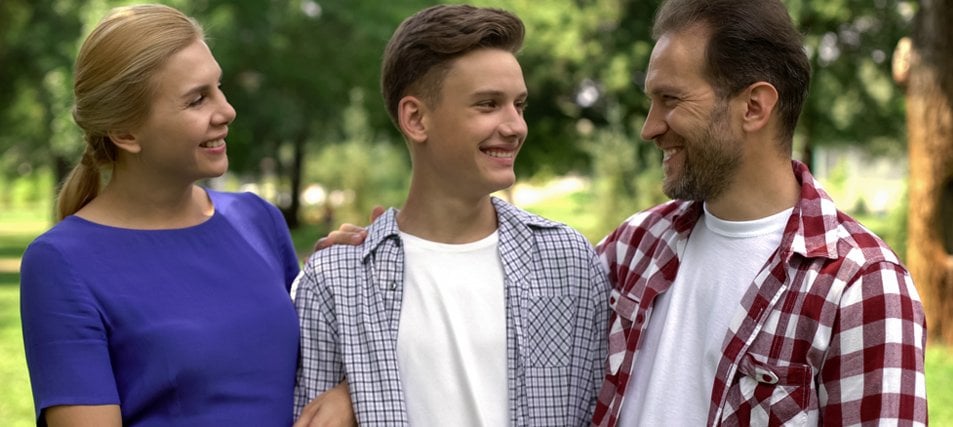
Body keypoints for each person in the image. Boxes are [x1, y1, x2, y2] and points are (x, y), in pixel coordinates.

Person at [319, 0, 928, 425]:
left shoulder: (861, 288)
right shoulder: (634, 249)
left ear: (754, 107)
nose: (649, 127)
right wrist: (370, 361)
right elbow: (491, 321)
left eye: (670, 100)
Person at [292, 4, 610, 426]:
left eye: (519, 105)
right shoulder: (336, 280)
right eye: (488, 104)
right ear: (416, 118)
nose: (515, 126)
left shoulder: (568, 261)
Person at [19, 4, 303, 425]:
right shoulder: (60, 264)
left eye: (219, 88)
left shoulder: (257, 220)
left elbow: (309, 368)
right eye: (197, 99)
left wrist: (343, 393)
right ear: (126, 133)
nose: (227, 111)